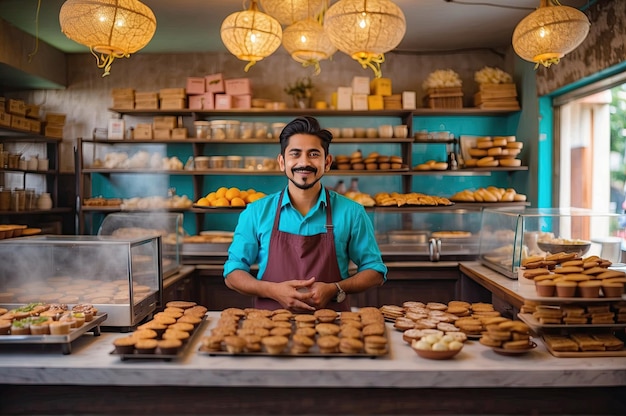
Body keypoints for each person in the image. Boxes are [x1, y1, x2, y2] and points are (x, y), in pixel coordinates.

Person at [223, 116, 387, 312]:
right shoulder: (256, 212)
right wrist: (273, 290)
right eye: (295, 154)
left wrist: (336, 288)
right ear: (282, 162)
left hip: (335, 331)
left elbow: (375, 271)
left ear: (327, 162)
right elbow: (233, 272)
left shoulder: (352, 212)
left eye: (313, 154)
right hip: (268, 329)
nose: (304, 162)